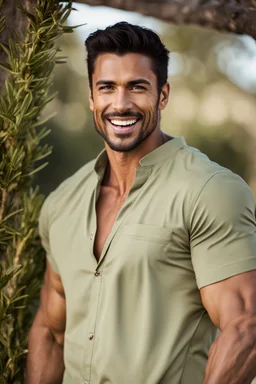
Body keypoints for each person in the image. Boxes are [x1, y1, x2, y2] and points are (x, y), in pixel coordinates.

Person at [26, 22, 256, 384]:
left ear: (162, 96)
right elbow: (51, 333)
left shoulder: (210, 191)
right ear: (91, 96)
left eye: (137, 87)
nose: (120, 103)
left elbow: (244, 328)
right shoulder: (63, 203)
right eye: (107, 88)